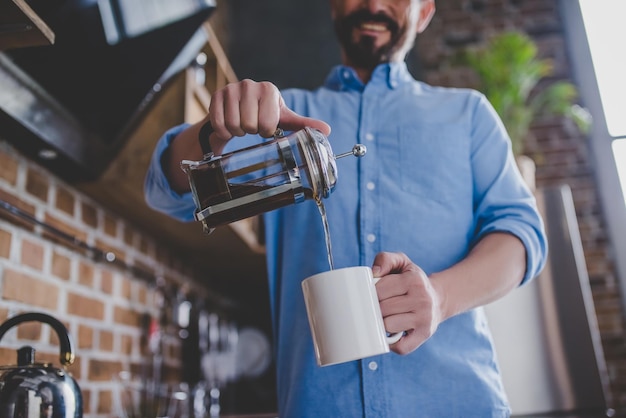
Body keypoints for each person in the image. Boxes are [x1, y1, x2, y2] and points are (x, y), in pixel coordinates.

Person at [144, 0, 548, 416]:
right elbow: (165, 192)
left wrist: (441, 297)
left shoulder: (468, 115)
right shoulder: (278, 120)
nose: (373, 4)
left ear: (424, 12)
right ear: (334, 7)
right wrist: (214, 128)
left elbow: (522, 237)